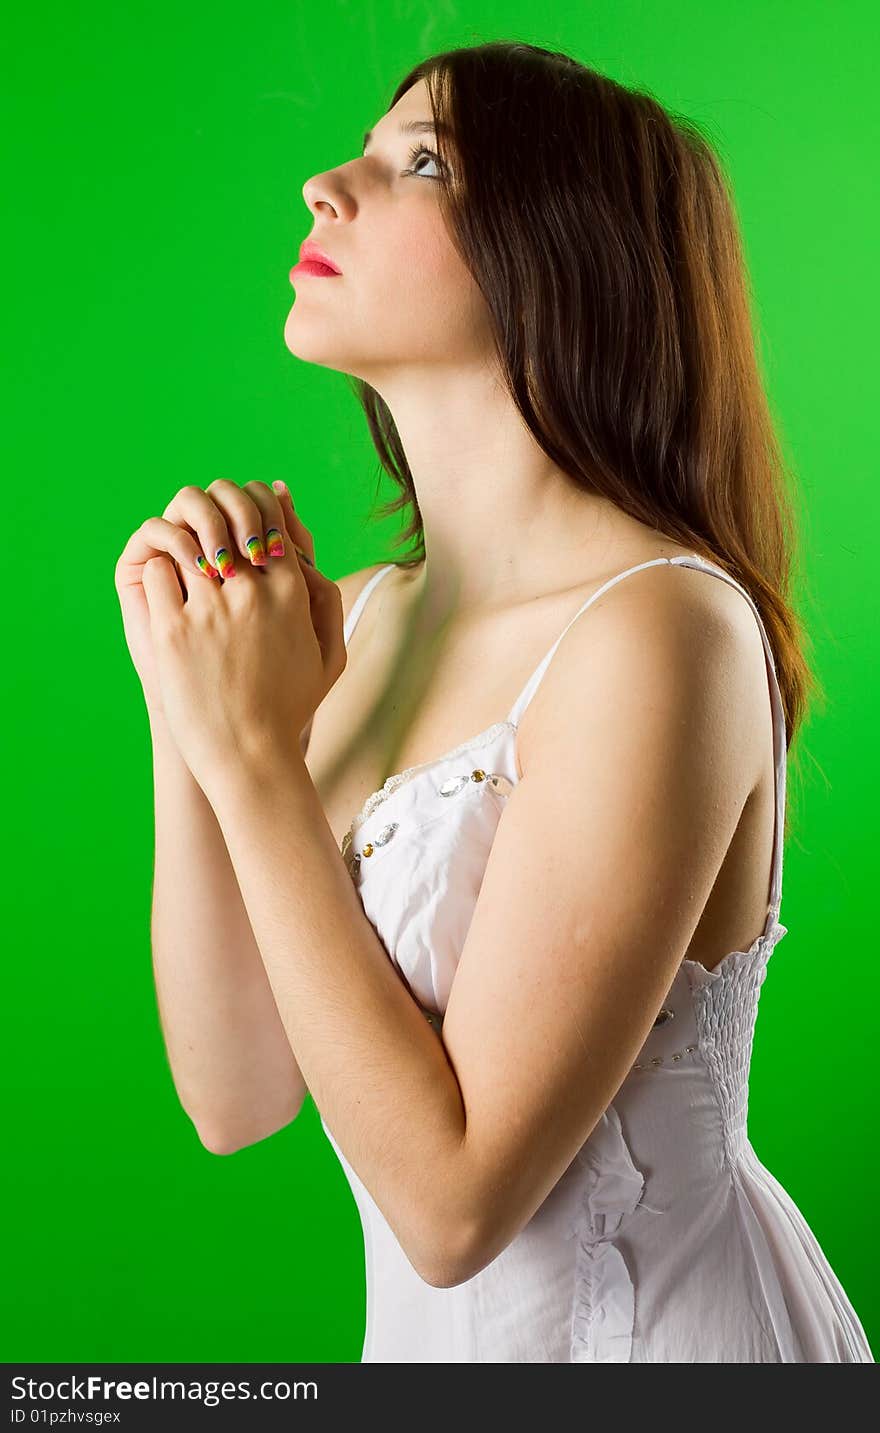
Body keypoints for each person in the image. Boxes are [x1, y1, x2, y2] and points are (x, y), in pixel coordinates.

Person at [114, 40, 875, 1362]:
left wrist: (249, 757)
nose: (322, 185)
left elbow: (457, 1203)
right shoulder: (340, 623)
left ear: (561, 259)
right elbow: (236, 1094)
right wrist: (188, 695)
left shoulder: (664, 632)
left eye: (420, 163)